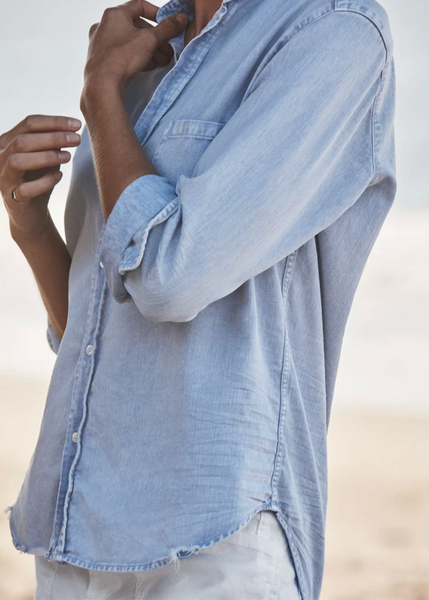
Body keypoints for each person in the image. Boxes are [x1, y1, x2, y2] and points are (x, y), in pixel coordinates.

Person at [1, 0, 396, 598]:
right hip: (76, 533)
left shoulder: (334, 30)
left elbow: (169, 276)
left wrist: (101, 96)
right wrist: (29, 223)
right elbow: (89, 330)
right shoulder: (148, 50)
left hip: (215, 539)